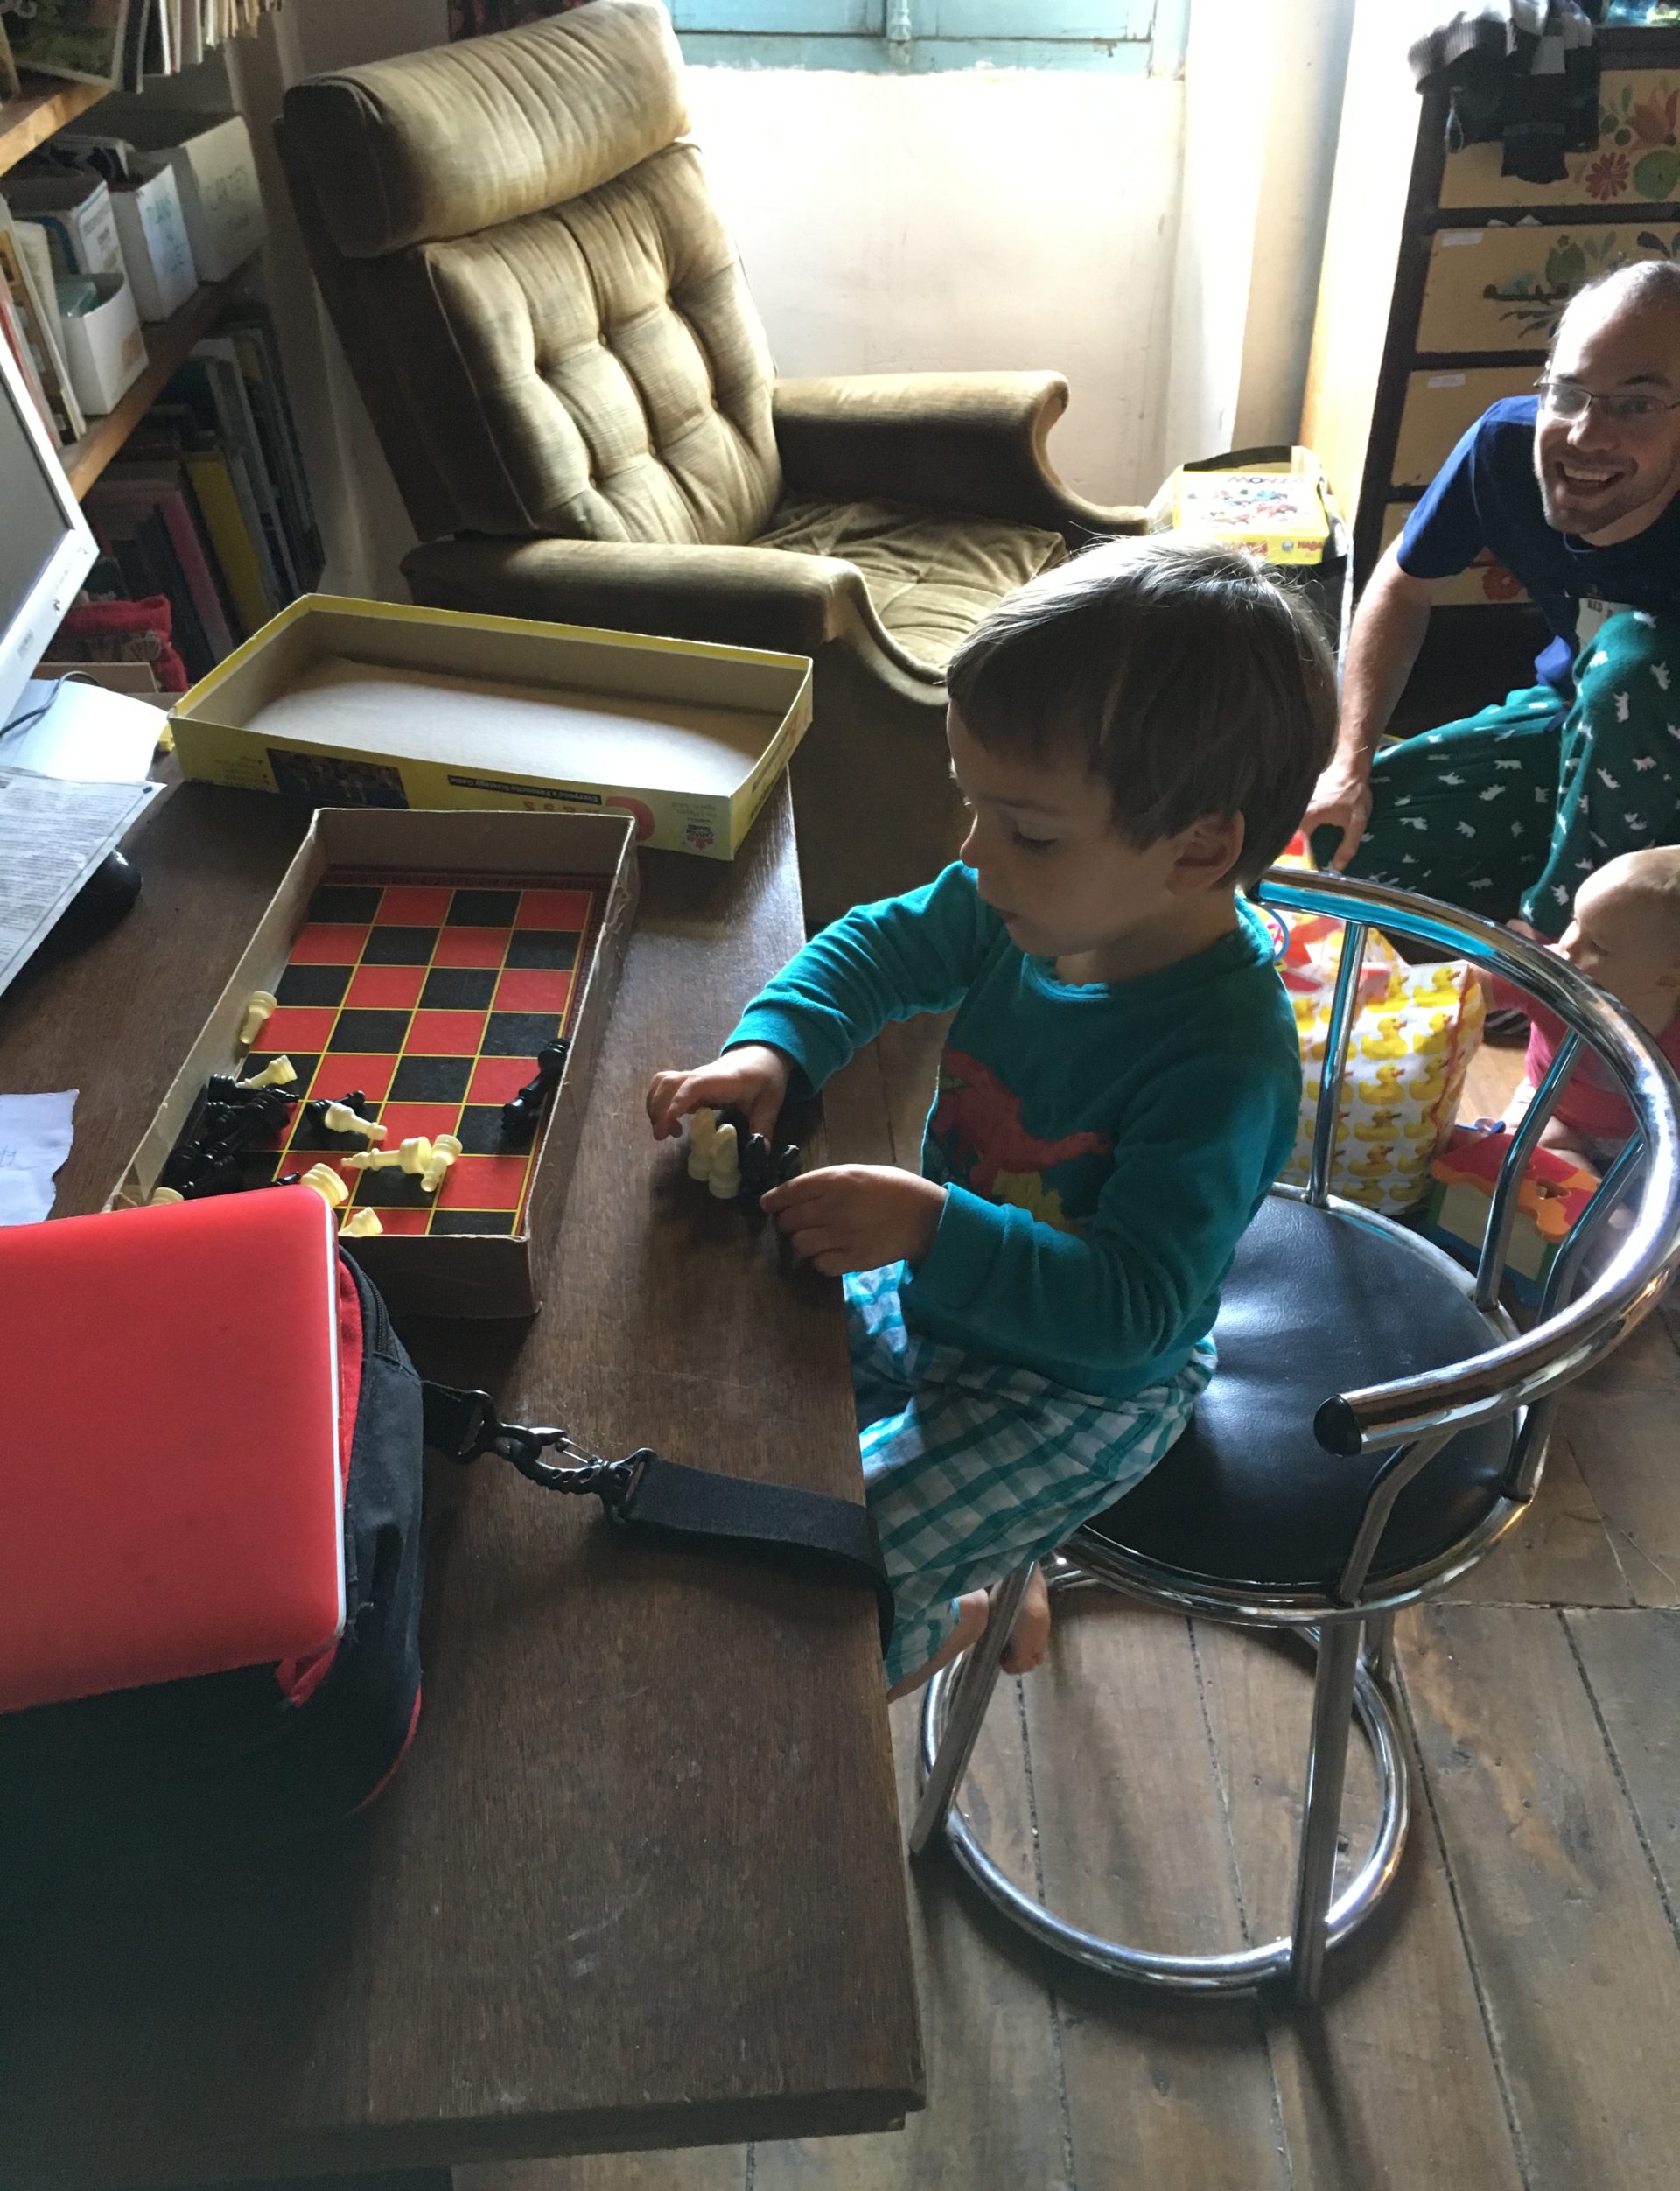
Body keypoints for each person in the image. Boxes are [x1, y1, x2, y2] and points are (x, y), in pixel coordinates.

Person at [646, 540, 1337, 1696]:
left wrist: (932, 1227)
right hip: (944, 1301)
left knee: (837, 1586)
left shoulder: (1225, 1060)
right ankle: (1003, 1566)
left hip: (1084, 1391)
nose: (973, 853)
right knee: (729, 1385)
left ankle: (963, 1608)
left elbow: (1131, 1311)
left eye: (1028, 829)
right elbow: (879, 948)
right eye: (974, 806)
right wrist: (774, 1047)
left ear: (1201, 847)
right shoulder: (1032, 904)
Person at [1304, 260, 1680, 937]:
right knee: (1344, 851)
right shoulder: (1503, 447)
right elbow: (1401, 586)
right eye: (1567, 393)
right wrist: (1348, 762)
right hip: (1571, 719)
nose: (1586, 434)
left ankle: (1556, 944)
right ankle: (1560, 886)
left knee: (1632, 658)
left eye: (1637, 406)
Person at [1493, 846, 1680, 1172]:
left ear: (1667, 979)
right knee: (1520, 1150)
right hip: (1555, 1111)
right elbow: (1468, 984)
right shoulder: (1551, 974)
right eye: (1575, 921)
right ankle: (1592, 1195)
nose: (1568, 944)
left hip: (1653, 1135)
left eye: (1598, 946)